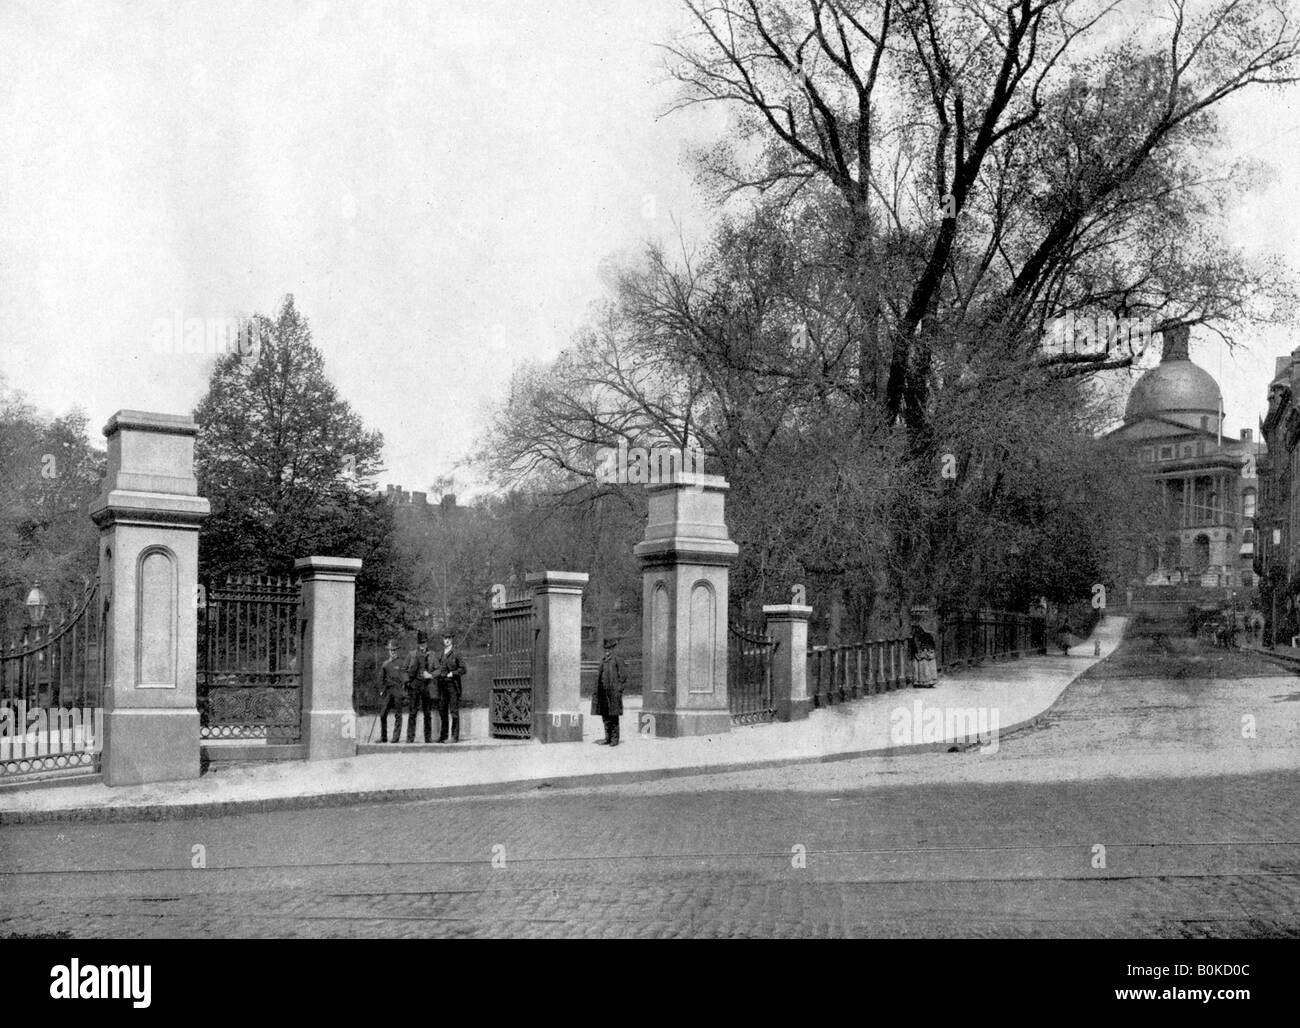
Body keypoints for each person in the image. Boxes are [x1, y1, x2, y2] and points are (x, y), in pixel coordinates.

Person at [591, 635, 628, 747]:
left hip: (613, 693)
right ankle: (607, 738)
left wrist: (619, 690)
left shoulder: (617, 659)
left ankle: (615, 739)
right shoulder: (603, 660)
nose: (607, 651)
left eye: (609, 648)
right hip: (603, 693)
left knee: (613, 716)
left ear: (613, 649)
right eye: (606, 649)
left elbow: (624, 676)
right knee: (605, 715)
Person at [433, 630, 467, 743]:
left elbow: (463, 669)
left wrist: (453, 673)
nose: (446, 640)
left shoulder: (456, 653)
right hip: (442, 685)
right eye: (445, 638)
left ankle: (454, 737)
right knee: (442, 710)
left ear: (452, 639)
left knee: (454, 712)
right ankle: (443, 735)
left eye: (449, 638)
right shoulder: (440, 654)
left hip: (453, 685)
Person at [405, 630, 435, 743]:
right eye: (421, 642)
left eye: (425, 642)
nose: (423, 644)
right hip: (414, 686)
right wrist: (407, 682)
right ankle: (410, 738)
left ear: (427, 642)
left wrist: (431, 675)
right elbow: (403, 670)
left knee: (427, 713)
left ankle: (428, 738)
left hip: (426, 686)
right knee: (412, 712)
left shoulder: (432, 654)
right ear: (418, 643)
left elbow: (437, 669)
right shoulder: (411, 654)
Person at [376, 639, 405, 743]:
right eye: (391, 650)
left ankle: (395, 738)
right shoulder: (385, 664)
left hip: (397, 691)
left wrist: (403, 689)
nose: (392, 652)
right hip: (388, 691)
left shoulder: (402, 663)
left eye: (394, 650)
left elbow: (405, 678)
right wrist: (381, 690)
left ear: (397, 650)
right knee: (383, 714)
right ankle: (383, 737)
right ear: (389, 651)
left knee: (398, 714)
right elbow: (380, 679)